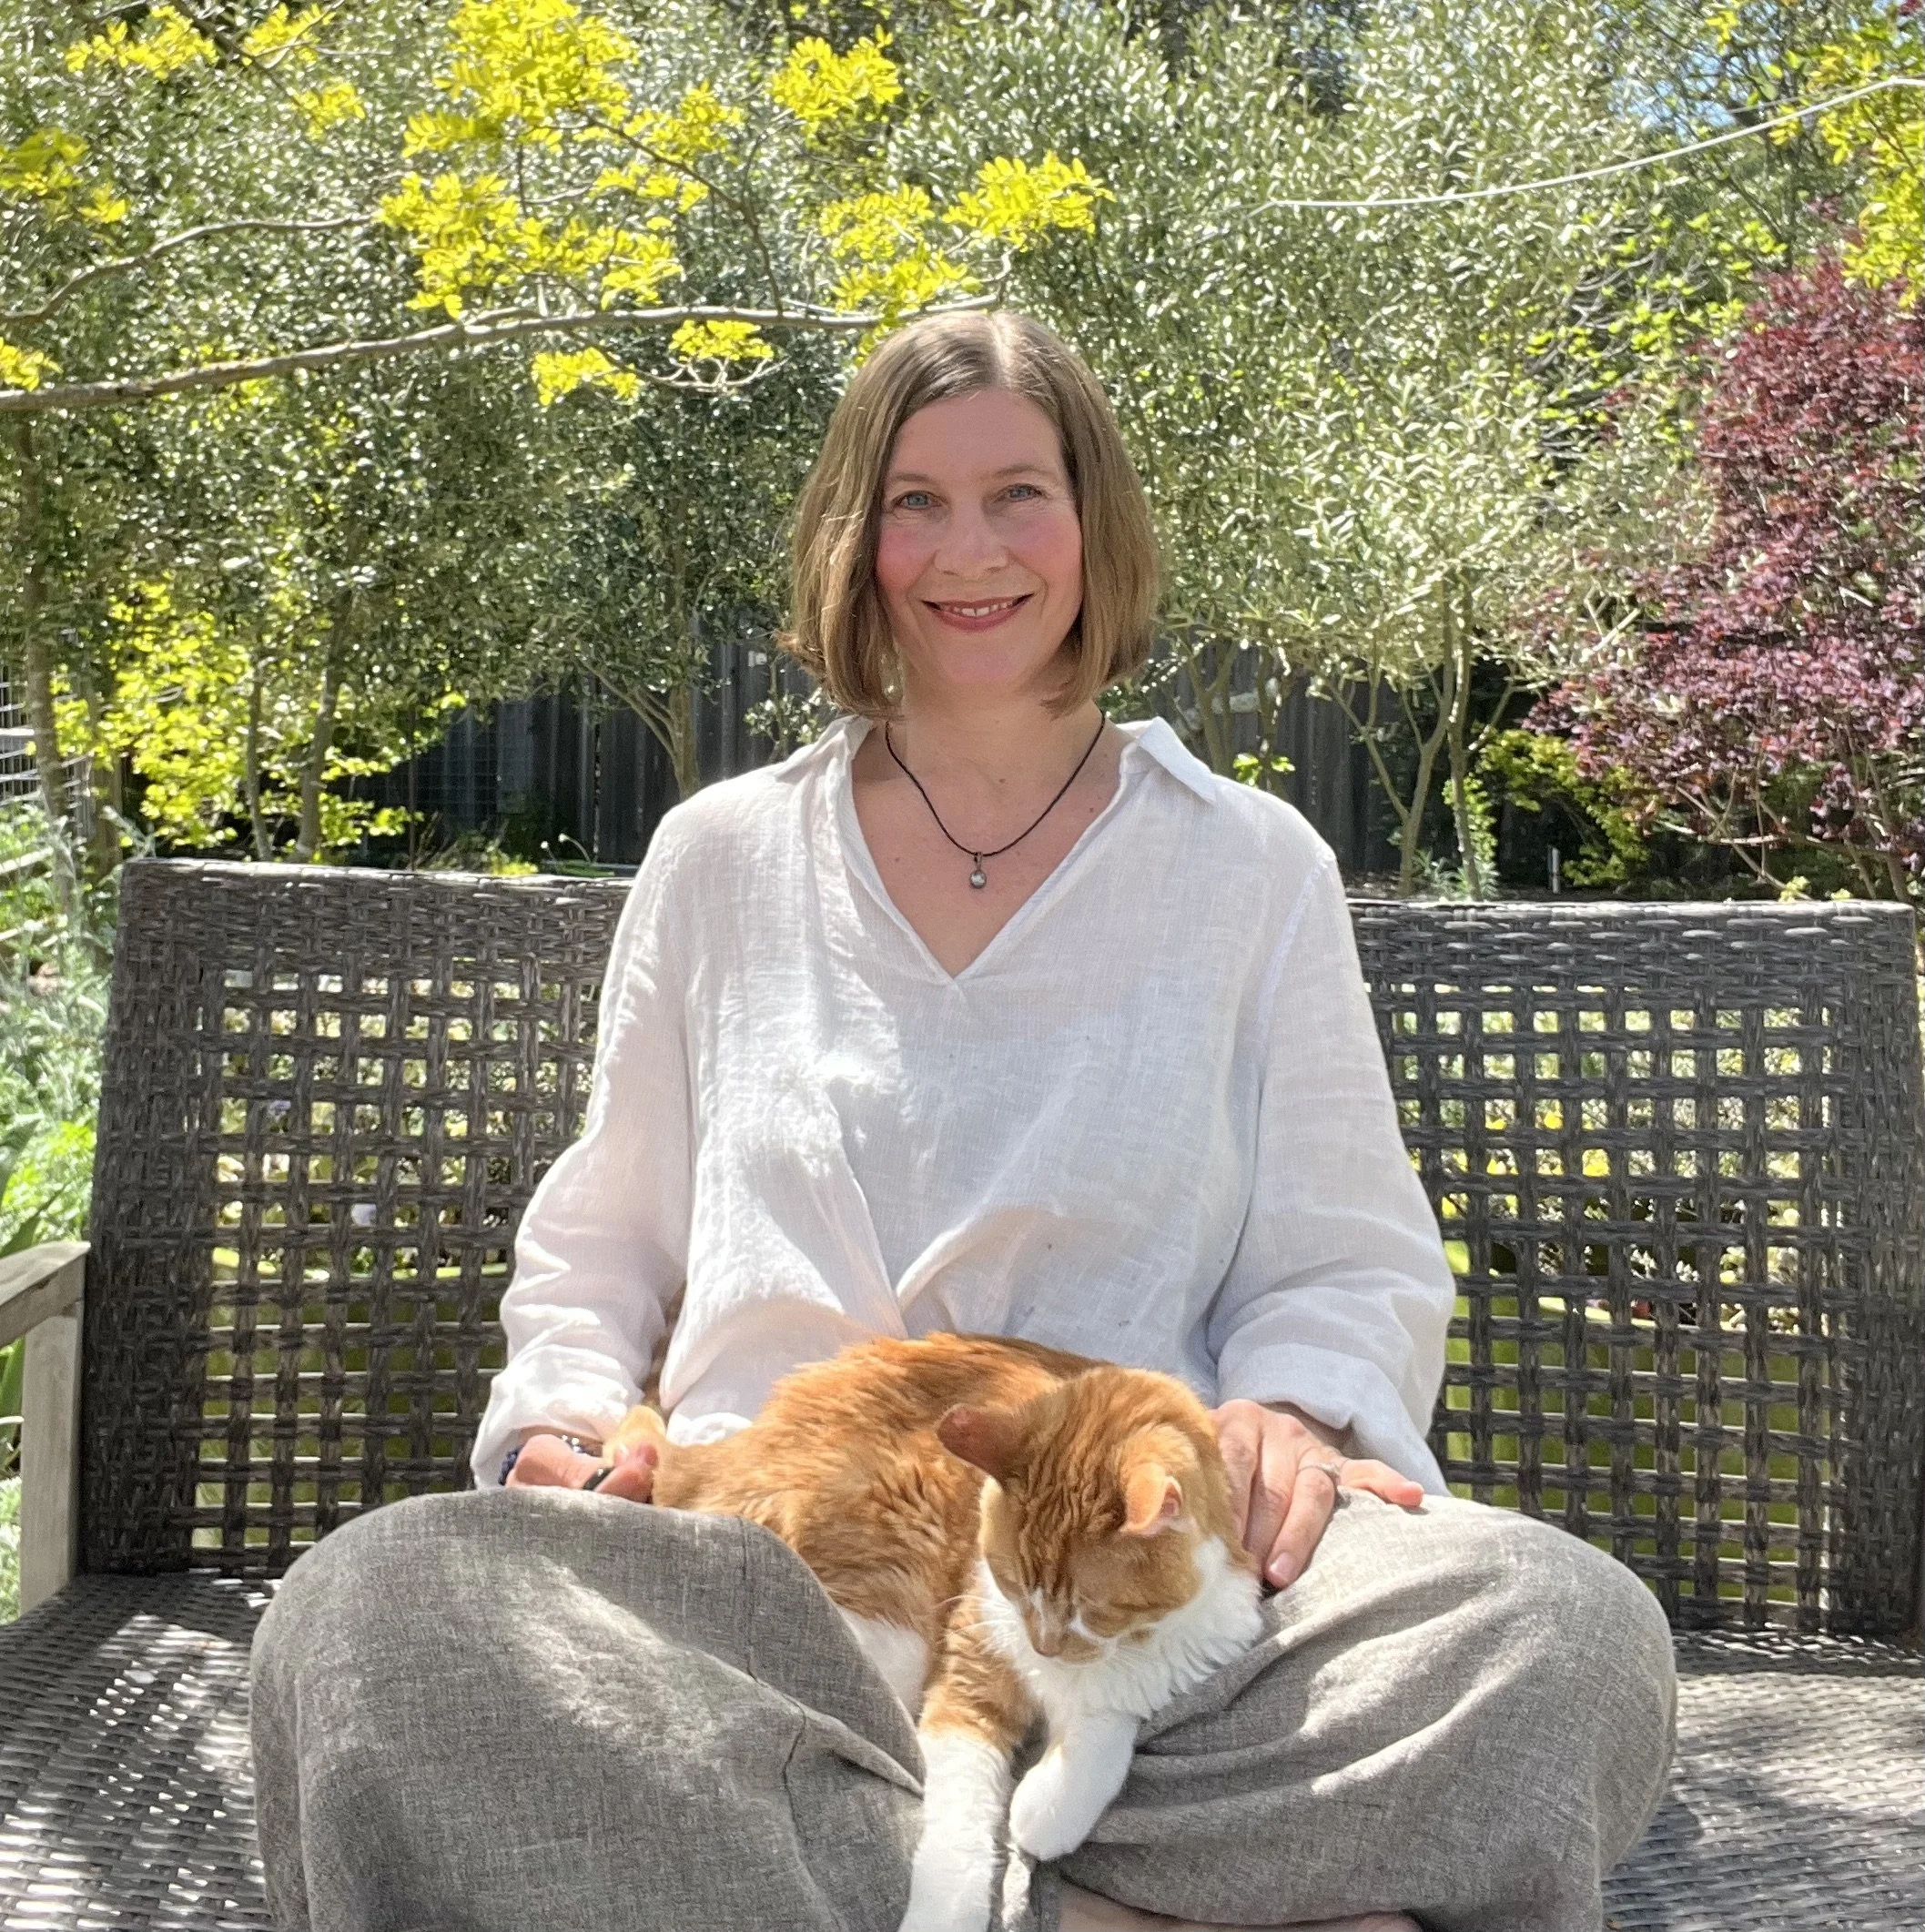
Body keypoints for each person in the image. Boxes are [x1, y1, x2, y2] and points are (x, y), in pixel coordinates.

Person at [248, 310, 1675, 1932]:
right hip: (759, 1586)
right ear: (855, 544)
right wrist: (562, 1425)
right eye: (913, 502)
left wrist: (1301, 1404)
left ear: (1094, 523)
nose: (966, 551)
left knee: (1567, 1636)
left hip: (1128, 1617)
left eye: (1017, 492)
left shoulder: (1248, 865)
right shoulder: (721, 857)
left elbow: (1344, 1252)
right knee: (363, 1623)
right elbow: (602, 1242)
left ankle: (817, 1877)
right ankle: (1091, 1915)